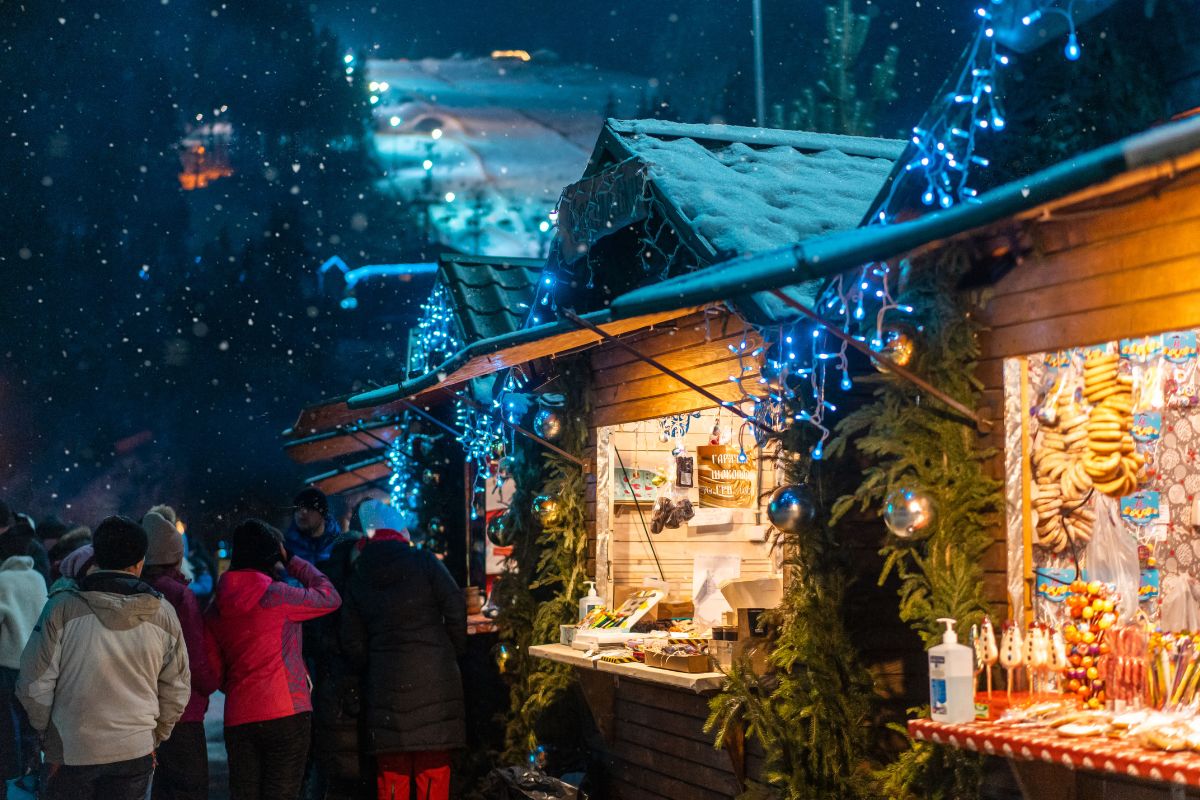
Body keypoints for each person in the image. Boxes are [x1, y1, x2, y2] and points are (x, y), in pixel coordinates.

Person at [17, 515, 190, 800]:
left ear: (96, 556)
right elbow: (177, 688)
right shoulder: (163, 614)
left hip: (72, 751)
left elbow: (33, 683)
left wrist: (49, 735)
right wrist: (154, 736)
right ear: (139, 563)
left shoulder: (61, 608)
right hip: (135, 751)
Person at [205, 519, 340, 800]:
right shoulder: (279, 596)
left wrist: (236, 685)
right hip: (286, 710)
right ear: (271, 554)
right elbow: (329, 596)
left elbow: (214, 667)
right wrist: (293, 561)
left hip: (239, 715)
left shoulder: (217, 604)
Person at [341, 500, 467, 800]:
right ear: (400, 532)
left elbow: (352, 641)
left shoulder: (359, 576)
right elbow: (455, 608)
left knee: (392, 778)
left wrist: (371, 665)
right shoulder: (425, 562)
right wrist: (451, 651)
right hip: (435, 684)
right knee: (433, 774)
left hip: (385, 691)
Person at [142, 511, 219, 800]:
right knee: (188, 788)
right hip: (184, 711)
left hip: (147, 708)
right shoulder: (179, 595)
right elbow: (192, 654)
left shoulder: (138, 591)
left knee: (161, 786)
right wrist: (211, 681)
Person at [0, 534, 49, 800]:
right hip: (37, 666)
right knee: (33, 730)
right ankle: (32, 784)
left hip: (7, 669)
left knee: (9, 733)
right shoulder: (38, 579)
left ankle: (12, 786)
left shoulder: (2, 581)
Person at [284, 488, 344, 569]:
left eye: (309, 507)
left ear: (323, 512)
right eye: (297, 508)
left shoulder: (339, 543)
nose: (302, 512)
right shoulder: (287, 547)